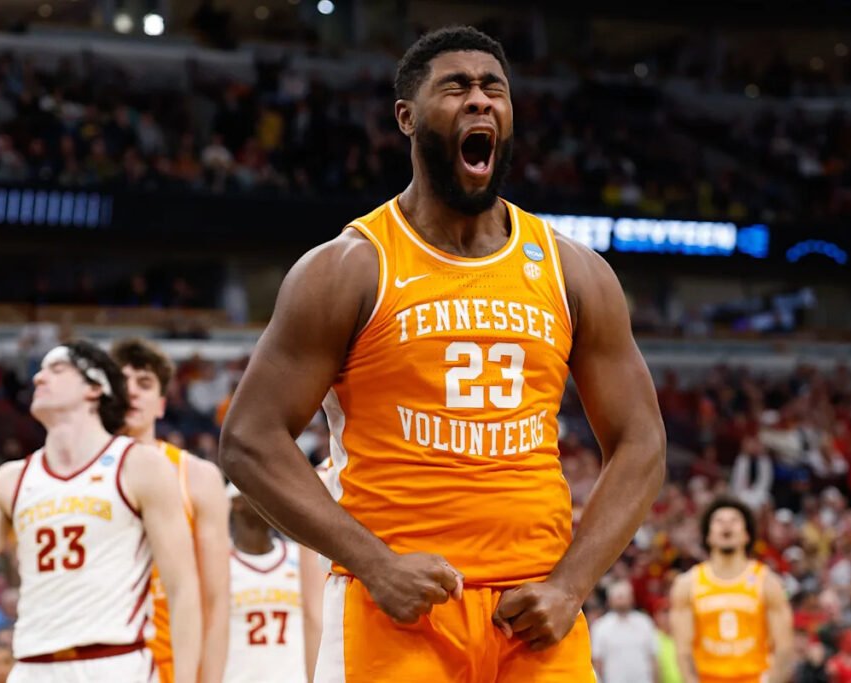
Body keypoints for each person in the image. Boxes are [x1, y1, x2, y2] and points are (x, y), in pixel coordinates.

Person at [219, 25, 666, 682]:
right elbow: (250, 439)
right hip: (395, 611)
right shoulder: (349, 267)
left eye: (494, 89)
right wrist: (373, 563)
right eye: (456, 87)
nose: (480, 99)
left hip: (534, 612)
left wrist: (572, 583)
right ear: (406, 116)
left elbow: (641, 440)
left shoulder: (573, 269)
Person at [0, 341, 202, 682]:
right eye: (40, 371)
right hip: (33, 667)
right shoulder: (10, 480)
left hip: (114, 662)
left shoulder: (140, 465)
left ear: (95, 388)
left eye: (56, 369)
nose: (39, 378)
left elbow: (183, 588)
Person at [112, 337, 231, 683]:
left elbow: (216, 601)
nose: (132, 392)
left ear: (161, 404)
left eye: (144, 383)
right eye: (122, 381)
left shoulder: (197, 476)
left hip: (169, 665)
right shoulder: (80, 473)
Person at [670, 497, 794, 683]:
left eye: (734, 520)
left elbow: (784, 648)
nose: (726, 525)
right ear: (708, 535)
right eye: (719, 521)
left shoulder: (767, 582)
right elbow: (683, 651)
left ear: (747, 535)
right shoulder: (687, 584)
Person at [224, 482, 324, 682]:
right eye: (259, 493)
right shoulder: (220, 566)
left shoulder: (300, 558)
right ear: (236, 503)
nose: (269, 499)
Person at [590, 580, 659, 683]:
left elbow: (653, 657)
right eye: (618, 596)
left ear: (632, 598)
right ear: (610, 600)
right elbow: (597, 661)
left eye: (624, 596)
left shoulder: (644, 622)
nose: (621, 600)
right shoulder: (600, 626)